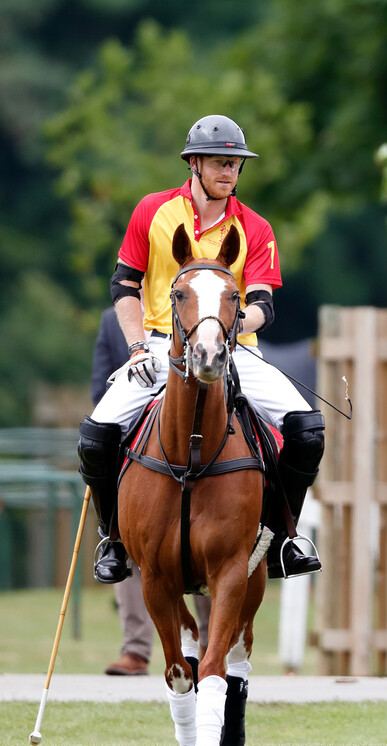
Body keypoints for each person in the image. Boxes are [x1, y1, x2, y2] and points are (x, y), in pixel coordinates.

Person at [77, 114, 325, 587]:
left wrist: (225, 333)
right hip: (156, 344)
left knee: (308, 430)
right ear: (194, 163)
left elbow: (263, 306)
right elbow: (124, 284)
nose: (229, 172)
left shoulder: (256, 227)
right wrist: (134, 348)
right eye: (219, 163)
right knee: (95, 436)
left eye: (235, 163)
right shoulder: (152, 211)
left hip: (234, 348)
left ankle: (281, 538)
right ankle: (114, 538)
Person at [90, 307, 212, 674]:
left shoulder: (200, 304)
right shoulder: (112, 320)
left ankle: (207, 646)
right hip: (141, 439)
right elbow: (100, 386)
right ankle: (136, 648)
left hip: (197, 432)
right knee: (132, 542)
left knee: (210, 543)